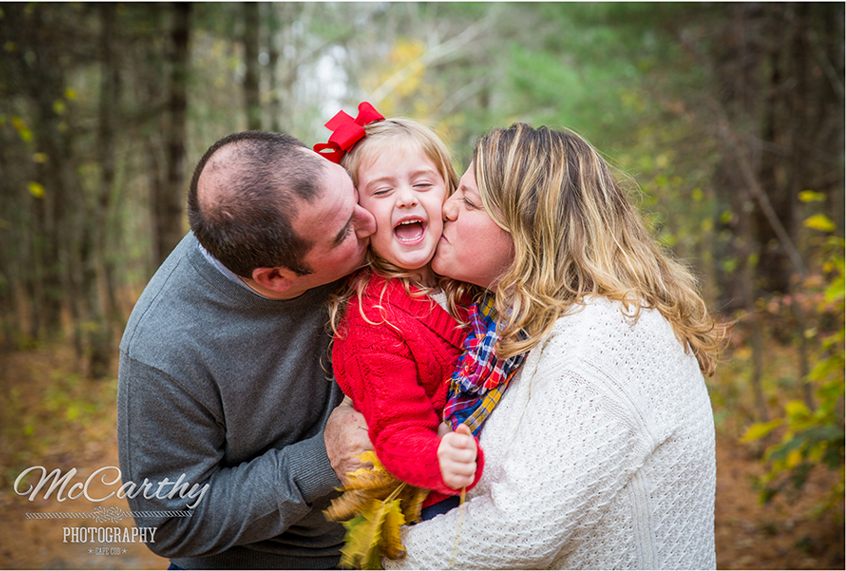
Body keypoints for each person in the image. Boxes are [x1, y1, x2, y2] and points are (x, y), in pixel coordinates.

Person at [385, 123, 728, 569]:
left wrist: (387, 554)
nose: (445, 209)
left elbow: (523, 529)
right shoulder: (506, 330)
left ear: (531, 228)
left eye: (467, 201)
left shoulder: (608, 333)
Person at [117, 130, 377, 570]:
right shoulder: (165, 350)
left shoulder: (315, 206)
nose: (369, 220)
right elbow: (168, 522)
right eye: (344, 233)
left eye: (353, 196)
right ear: (275, 278)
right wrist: (322, 460)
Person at [317, 103, 483, 520]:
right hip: (437, 502)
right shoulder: (370, 320)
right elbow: (395, 431)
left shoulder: (466, 279)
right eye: (383, 191)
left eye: (423, 184)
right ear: (358, 215)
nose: (406, 199)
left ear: (449, 195)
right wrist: (441, 461)